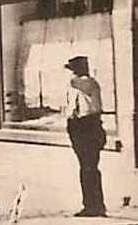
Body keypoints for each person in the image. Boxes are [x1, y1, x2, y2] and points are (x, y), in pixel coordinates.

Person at [64, 56, 107, 218]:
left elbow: (75, 83)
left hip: (89, 125)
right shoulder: (77, 84)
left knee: (89, 167)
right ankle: (90, 204)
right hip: (78, 126)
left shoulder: (88, 82)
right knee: (85, 167)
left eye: (74, 69)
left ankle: (95, 205)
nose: (72, 73)